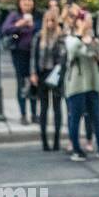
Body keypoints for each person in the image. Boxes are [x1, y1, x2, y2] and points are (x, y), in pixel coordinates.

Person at [62, 7, 99, 161]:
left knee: (96, 117)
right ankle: (76, 149)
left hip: (92, 83)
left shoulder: (93, 39)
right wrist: (81, 34)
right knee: (75, 117)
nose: (89, 23)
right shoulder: (70, 38)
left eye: (89, 20)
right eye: (86, 19)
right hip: (76, 84)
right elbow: (73, 50)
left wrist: (96, 53)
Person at [30, 8, 66, 152]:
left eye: (53, 20)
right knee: (43, 108)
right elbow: (33, 56)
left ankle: (57, 140)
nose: (50, 23)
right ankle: (44, 140)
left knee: (57, 108)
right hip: (42, 73)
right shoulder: (39, 36)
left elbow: (64, 57)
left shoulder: (61, 36)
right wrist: (33, 73)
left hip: (56, 74)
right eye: (47, 20)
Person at [2, 0, 39, 124]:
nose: (27, 3)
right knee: (21, 83)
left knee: (34, 82)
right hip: (19, 53)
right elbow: (5, 30)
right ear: (19, 3)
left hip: (35, 54)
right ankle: (23, 114)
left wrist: (33, 26)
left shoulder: (38, 16)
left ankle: (35, 113)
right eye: (24, 1)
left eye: (30, 0)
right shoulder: (14, 16)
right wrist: (20, 25)